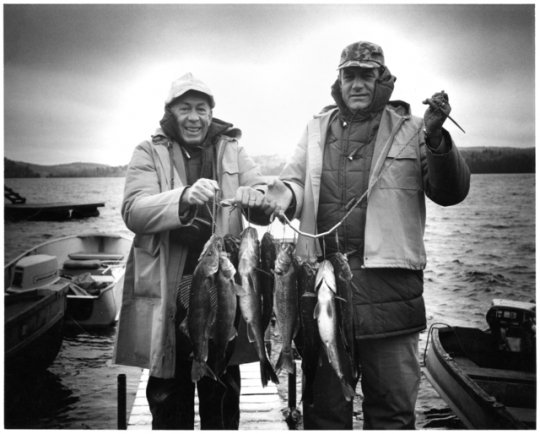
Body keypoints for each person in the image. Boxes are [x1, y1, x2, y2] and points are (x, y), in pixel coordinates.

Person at [265, 41, 471, 429]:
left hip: (391, 298)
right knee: (324, 415)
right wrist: (277, 196)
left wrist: (437, 138)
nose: (357, 83)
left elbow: (451, 191)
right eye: (349, 75)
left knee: (391, 415)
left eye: (366, 75)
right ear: (338, 81)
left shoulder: (414, 130)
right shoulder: (314, 129)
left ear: (382, 79)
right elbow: (292, 183)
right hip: (322, 290)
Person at [113, 72, 274, 430]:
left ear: (211, 113)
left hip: (223, 282)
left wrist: (256, 200)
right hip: (168, 286)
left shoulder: (232, 148)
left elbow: (262, 199)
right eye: (184, 108)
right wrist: (183, 197)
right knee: (168, 393)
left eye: (201, 108)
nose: (194, 117)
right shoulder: (147, 151)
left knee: (223, 389)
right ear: (170, 112)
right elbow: (133, 211)